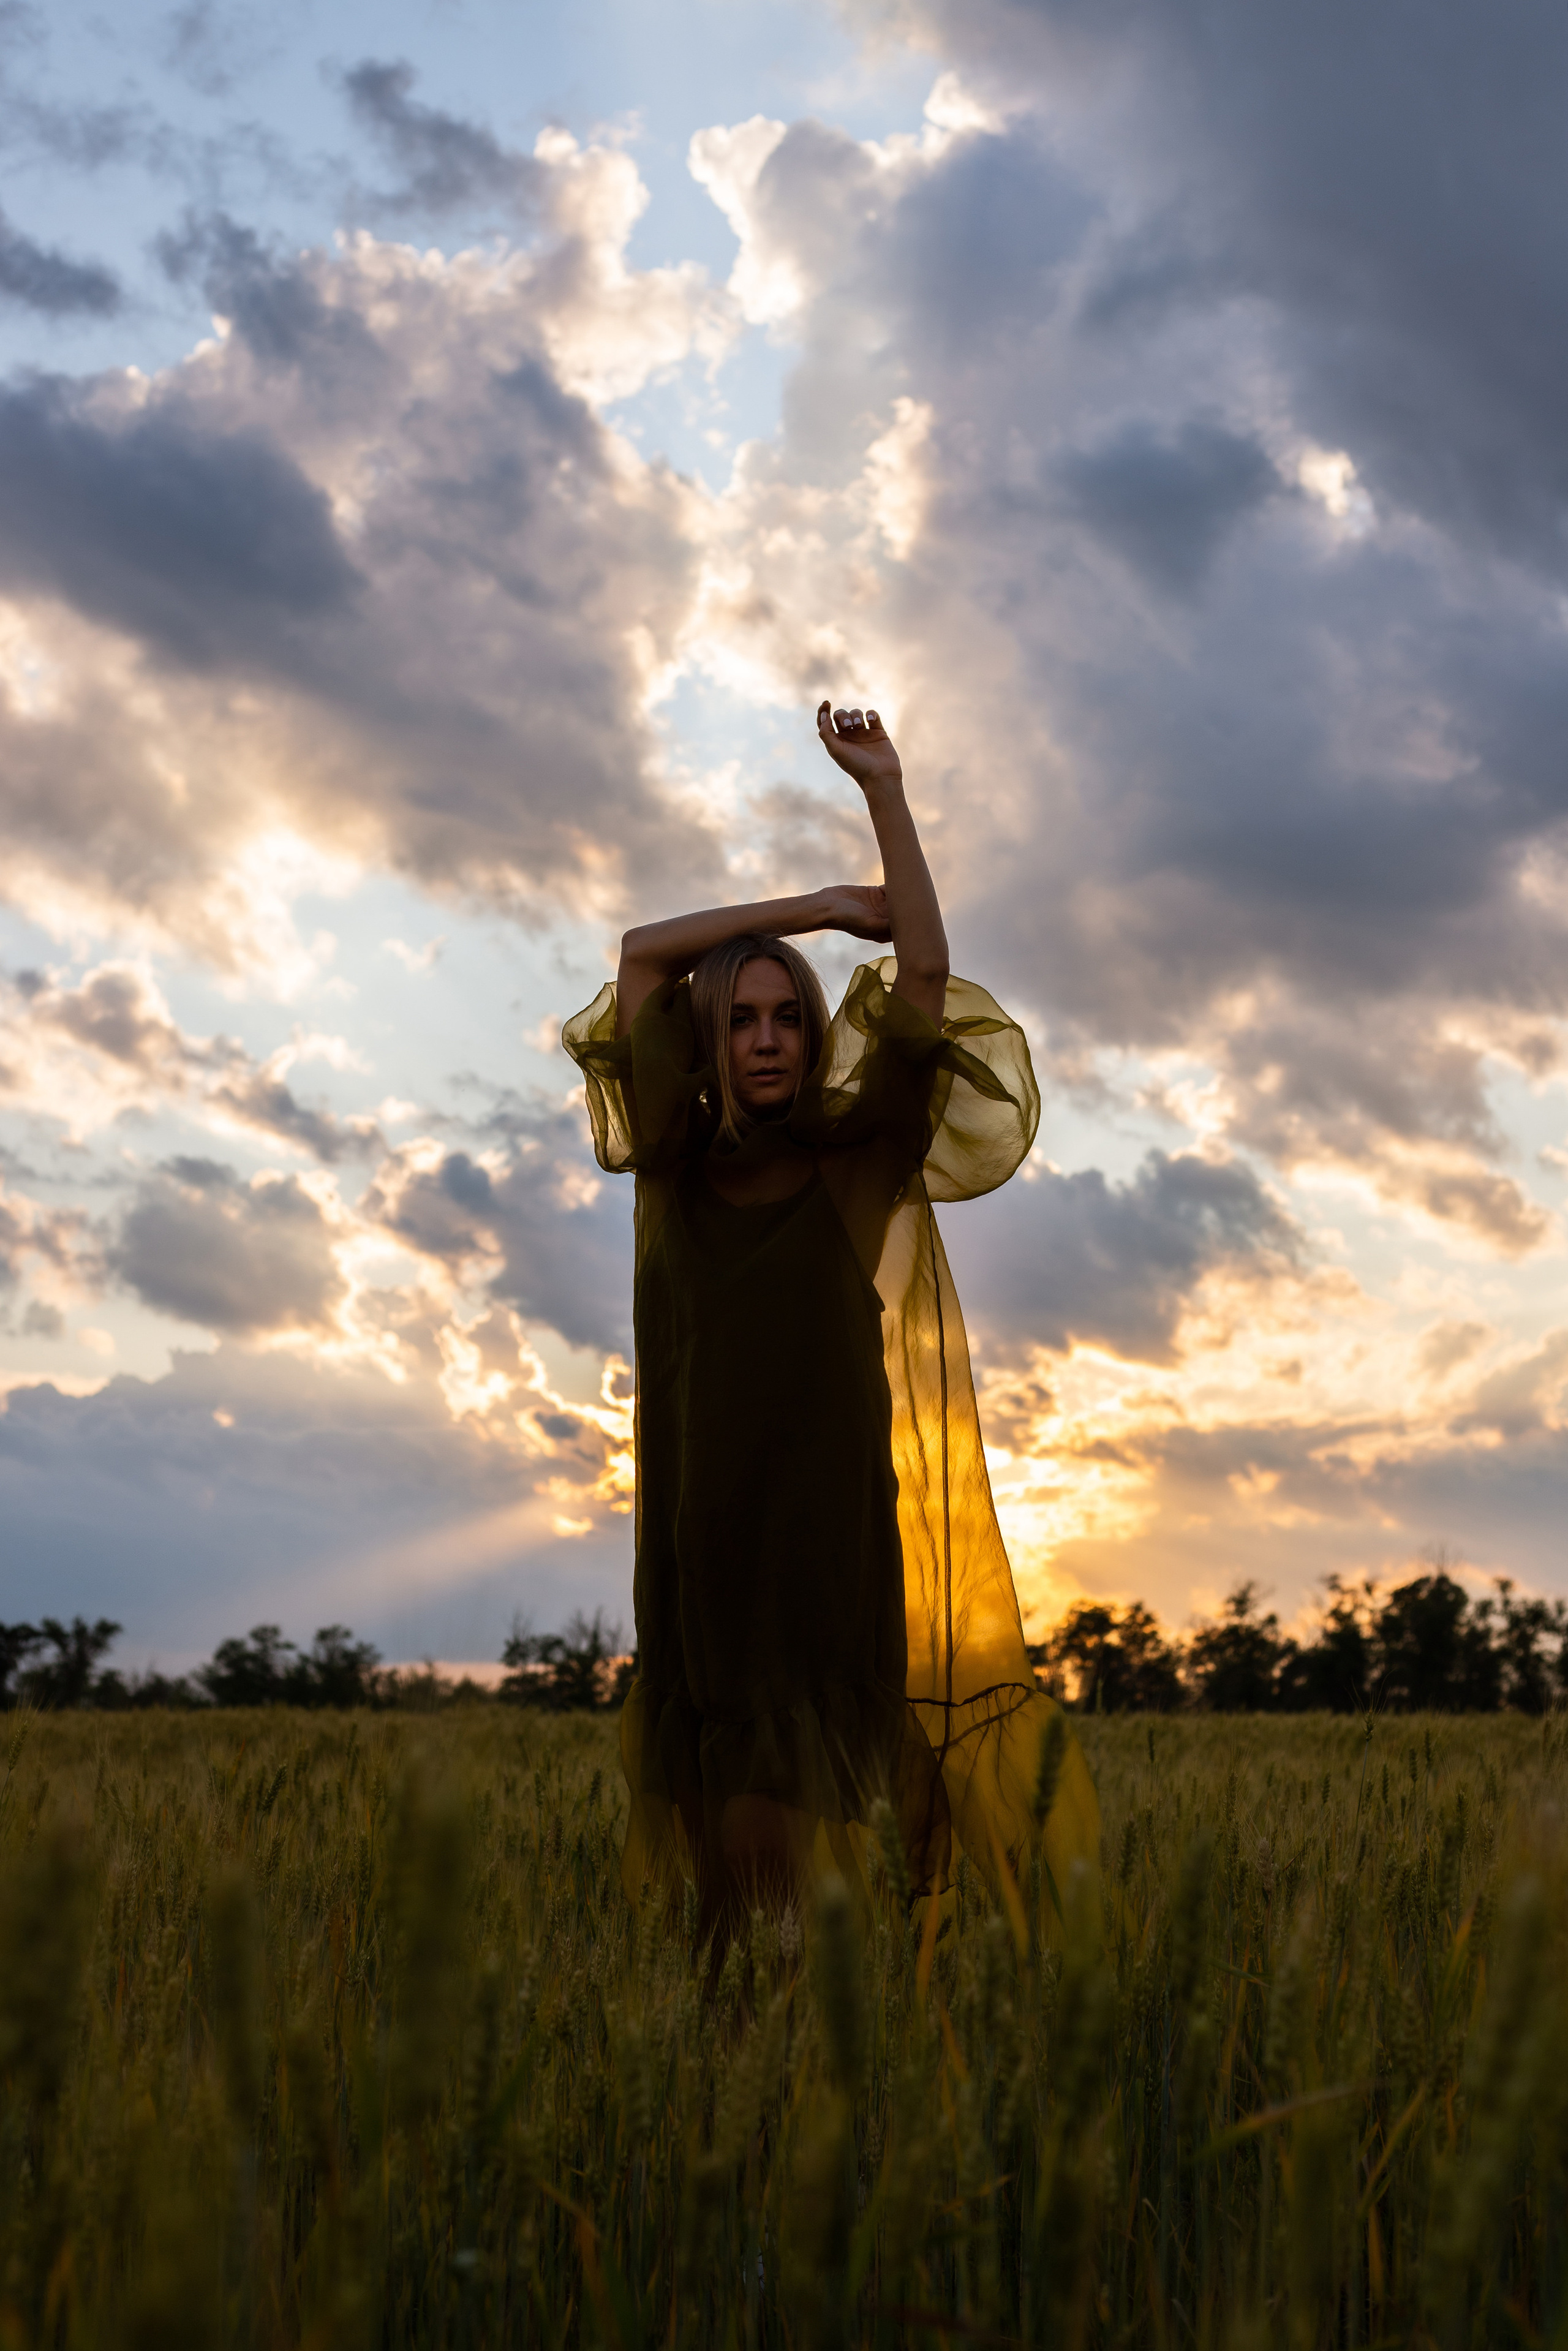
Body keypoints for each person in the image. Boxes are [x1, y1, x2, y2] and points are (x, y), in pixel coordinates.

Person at [564, 700, 1097, 1934]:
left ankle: (793, 2118)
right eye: (741, 1016)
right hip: (696, 1574)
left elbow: (917, 976)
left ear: (813, 1038)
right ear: (708, 1036)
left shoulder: (850, 1165)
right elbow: (642, 952)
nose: (765, 1037)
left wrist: (885, 793)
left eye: (789, 1014)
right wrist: (806, 907)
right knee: (725, 1930)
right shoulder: (672, 1166)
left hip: (814, 1577)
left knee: (773, 1900)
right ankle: (750, 2124)